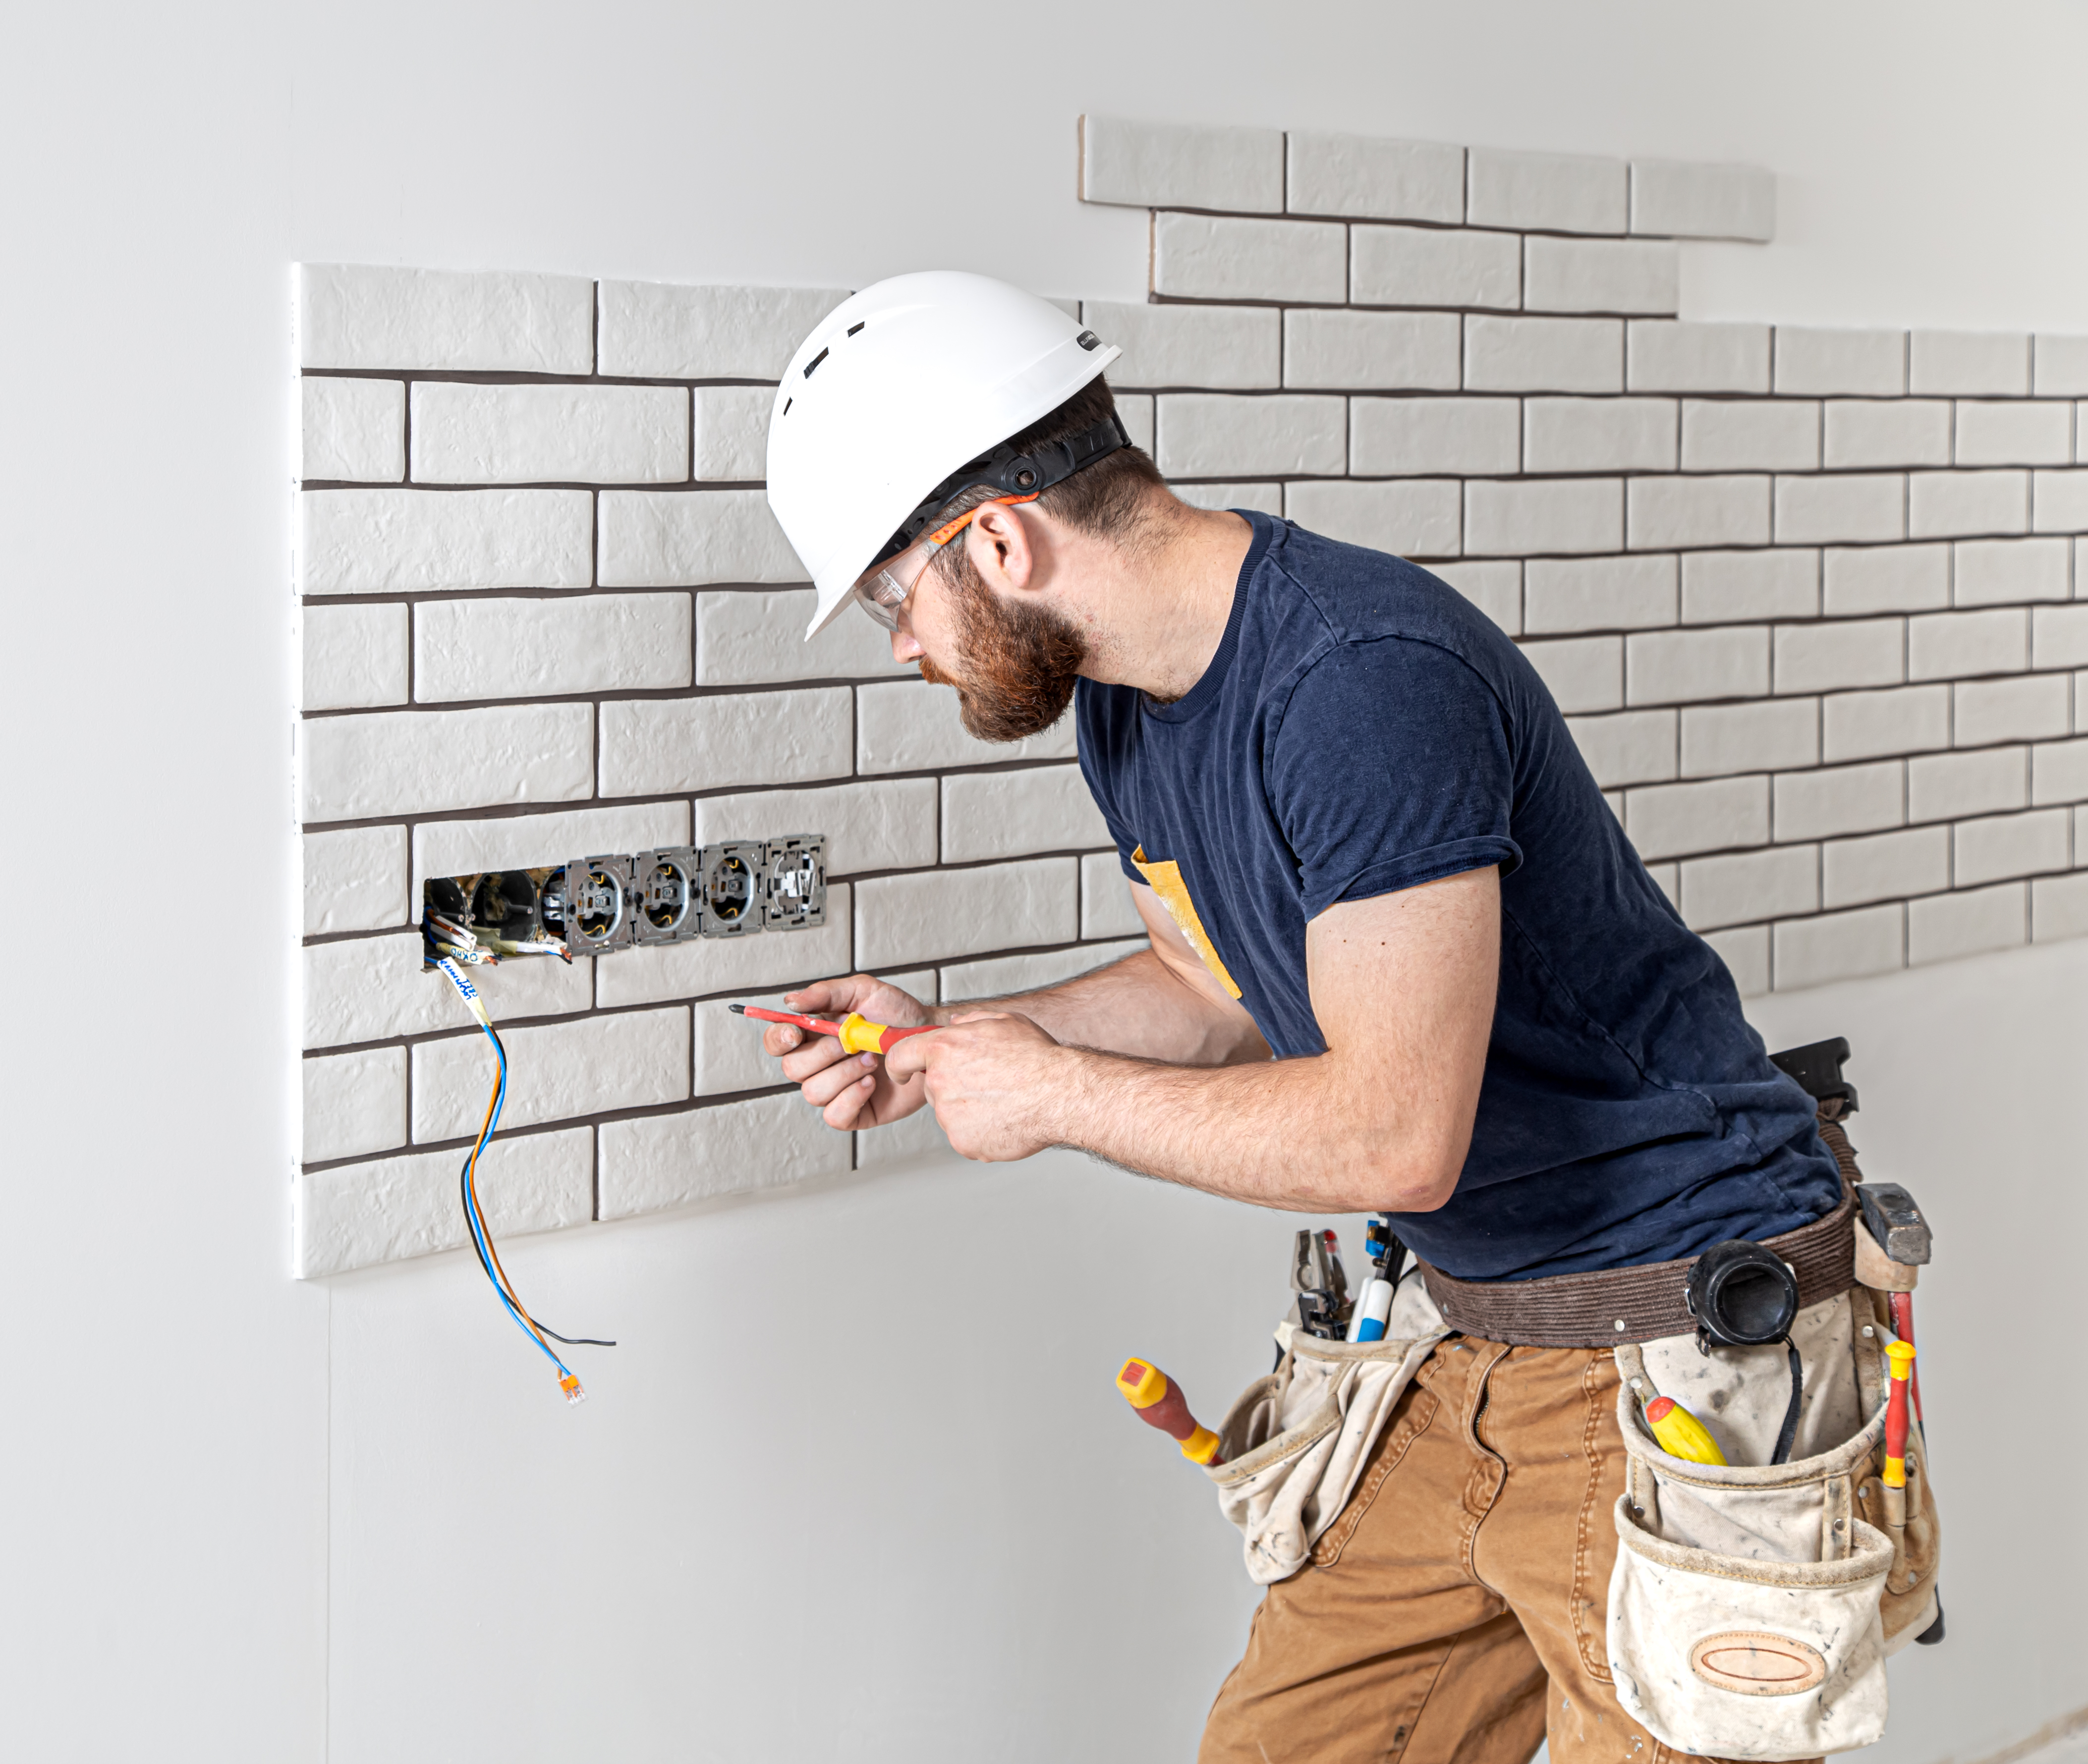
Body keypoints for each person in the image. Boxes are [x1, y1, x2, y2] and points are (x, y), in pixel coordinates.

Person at [760, 272, 1847, 1764]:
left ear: (997, 541)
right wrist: (960, 1043)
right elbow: (1218, 988)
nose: (902, 646)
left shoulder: (1357, 683)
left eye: (895, 598)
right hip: (1484, 1324)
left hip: (1678, 1328)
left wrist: (1057, 1100)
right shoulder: (1132, 704)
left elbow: (1398, 1135)